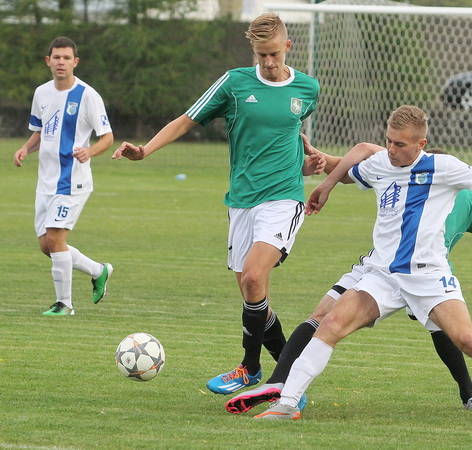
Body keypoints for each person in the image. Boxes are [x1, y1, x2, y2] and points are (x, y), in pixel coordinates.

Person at [253, 105, 472, 425]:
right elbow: (344, 166)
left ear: (421, 144)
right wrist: (323, 173)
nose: (391, 149)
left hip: (428, 274)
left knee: (467, 340)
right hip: (382, 274)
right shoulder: (380, 164)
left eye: (400, 144)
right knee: (330, 325)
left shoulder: (443, 167)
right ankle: (287, 405)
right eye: (388, 141)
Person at [112, 13, 322, 394]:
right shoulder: (234, 84)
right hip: (241, 200)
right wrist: (145, 151)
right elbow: (185, 120)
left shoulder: (307, 88)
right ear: (253, 51)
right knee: (252, 293)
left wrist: (303, 165)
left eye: (274, 54)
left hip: (284, 199)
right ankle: (290, 378)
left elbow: (289, 132)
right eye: (261, 55)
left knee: (255, 276)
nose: (268, 62)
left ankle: (250, 369)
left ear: (288, 47)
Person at [13, 37, 114, 316]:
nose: (61, 62)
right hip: (46, 181)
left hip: (72, 181)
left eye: (67, 58)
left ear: (75, 62)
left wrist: (89, 151)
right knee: (47, 245)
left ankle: (64, 304)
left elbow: (107, 137)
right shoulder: (41, 93)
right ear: (48, 61)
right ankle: (98, 270)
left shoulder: (87, 95)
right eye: (56, 57)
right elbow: (40, 131)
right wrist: (25, 148)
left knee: (56, 238)